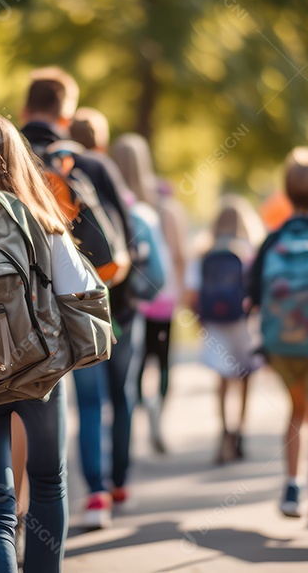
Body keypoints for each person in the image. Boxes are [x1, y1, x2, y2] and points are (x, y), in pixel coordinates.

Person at [0, 115, 97, 573]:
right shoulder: (39, 219)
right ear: (17, 164)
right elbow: (82, 292)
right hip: (39, 372)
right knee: (48, 485)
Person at [21, 70, 139, 520]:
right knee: (108, 399)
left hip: (25, 312)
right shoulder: (91, 163)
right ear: (67, 113)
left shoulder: (9, 159)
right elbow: (122, 245)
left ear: (27, 107)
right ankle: (109, 488)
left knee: (36, 405)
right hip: (94, 305)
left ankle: (33, 506)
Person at [249, 147, 308, 526]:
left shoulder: (273, 240)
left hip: (281, 343)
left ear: (287, 193)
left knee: (295, 410)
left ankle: (291, 485)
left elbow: (254, 292)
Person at [110, 131, 186, 454]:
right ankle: (159, 411)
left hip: (127, 294)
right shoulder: (161, 203)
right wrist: (180, 292)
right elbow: (179, 254)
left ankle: (136, 412)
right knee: (164, 360)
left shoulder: (110, 199)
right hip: (162, 294)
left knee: (135, 364)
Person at [185, 197, 265, 464]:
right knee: (245, 376)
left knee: (221, 377)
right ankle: (240, 431)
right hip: (243, 323)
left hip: (215, 324)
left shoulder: (204, 252)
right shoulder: (250, 251)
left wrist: (201, 320)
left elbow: (191, 294)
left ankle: (223, 430)